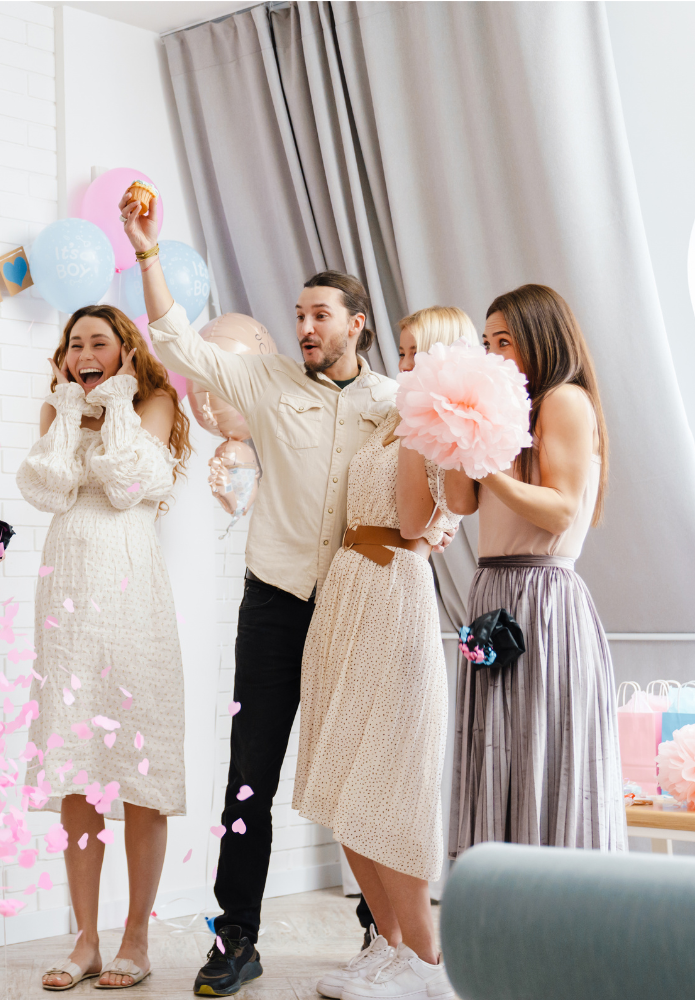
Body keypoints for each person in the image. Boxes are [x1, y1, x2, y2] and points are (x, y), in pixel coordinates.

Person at [119, 189, 401, 997]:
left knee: (361, 774)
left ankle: (381, 932)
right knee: (251, 777)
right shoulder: (267, 383)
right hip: (275, 603)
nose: (307, 327)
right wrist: (146, 253)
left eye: (322, 315)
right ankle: (235, 937)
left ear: (357, 325)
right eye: (300, 315)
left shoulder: (391, 404)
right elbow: (178, 339)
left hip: (357, 604)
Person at [293, 307, 474, 1000]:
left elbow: (410, 523)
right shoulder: (392, 422)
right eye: (401, 351)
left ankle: (427, 965)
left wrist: (421, 426)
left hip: (394, 596)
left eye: (417, 353)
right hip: (349, 593)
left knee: (389, 786)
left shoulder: (436, 432)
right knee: (339, 780)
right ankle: (388, 945)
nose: (405, 364)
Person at [17, 303, 191, 991]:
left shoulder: (152, 404)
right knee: (77, 773)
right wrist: (68, 413)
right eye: (74, 343)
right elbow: (51, 492)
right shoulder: (55, 413)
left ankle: (136, 937)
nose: (85, 352)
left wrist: (111, 404)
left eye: (99, 342)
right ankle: (85, 938)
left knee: (138, 771)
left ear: (124, 351)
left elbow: (125, 485)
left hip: (132, 601)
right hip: (68, 609)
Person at [443, 284, 626, 857]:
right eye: (488, 342)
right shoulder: (505, 411)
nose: (495, 355)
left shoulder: (563, 401)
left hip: (542, 595)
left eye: (507, 342)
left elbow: (563, 507)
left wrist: (486, 464)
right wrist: (452, 437)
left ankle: (557, 913)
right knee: (495, 748)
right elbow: (462, 503)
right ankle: (499, 912)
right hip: (492, 588)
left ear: (541, 342)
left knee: (539, 748)